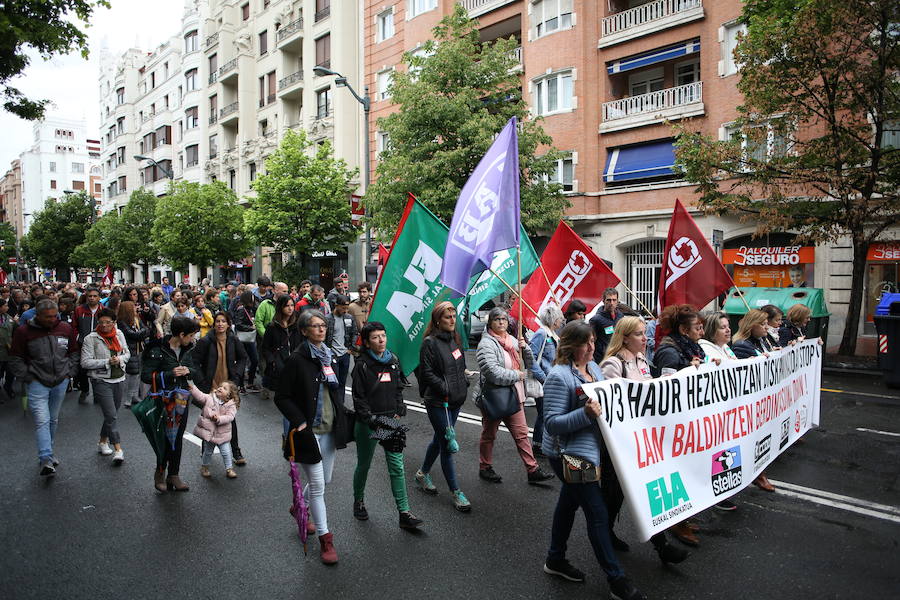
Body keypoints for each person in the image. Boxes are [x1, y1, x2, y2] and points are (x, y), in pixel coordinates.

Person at [541, 320, 647, 600]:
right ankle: (616, 579)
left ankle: (555, 559)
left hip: (591, 450)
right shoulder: (558, 376)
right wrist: (585, 415)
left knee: (568, 505)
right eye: (585, 342)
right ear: (570, 345)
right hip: (570, 456)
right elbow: (550, 424)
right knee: (597, 513)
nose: (592, 347)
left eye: (593, 341)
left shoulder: (595, 369)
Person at [600, 316, 690, 563]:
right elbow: (612, 404)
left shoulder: (642, 359)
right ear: (625, 337)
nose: (646, 337)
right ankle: (605, 533)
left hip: (642, 442)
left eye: (644, 333)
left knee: (645, 493)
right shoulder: (613, 364)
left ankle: (661, 547)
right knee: (613, 495)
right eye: (639, 334)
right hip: (621, 445)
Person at [274, 310, 350, 565]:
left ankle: (299, 505)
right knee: (317, 486)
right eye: (315, 326)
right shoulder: (297, 359)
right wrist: (301, 422)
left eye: (323, 326)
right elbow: (281, 396)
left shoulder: (329, 356)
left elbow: (333, 391)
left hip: (329, 428)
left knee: (325, 481)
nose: (321, 330)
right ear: (304, 331)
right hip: (309, 433)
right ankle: (325, 539)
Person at [351, 321, 423, 530]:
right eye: (375, 337)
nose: (381, 340)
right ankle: (359, 501)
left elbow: (398, 388)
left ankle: (404, 513)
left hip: (390, 421)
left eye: (383, 336)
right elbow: (358, 398)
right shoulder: (362, 365)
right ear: (366, 342)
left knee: (397, 467)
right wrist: (371, 420)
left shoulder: (393, 360)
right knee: (364, 465)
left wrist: (399, 410)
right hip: (368, 424)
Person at [476, 307, 554, 485]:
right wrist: (516, 376)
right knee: (489, 435)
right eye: (497, 319)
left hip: (515, 396)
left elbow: (528, 362)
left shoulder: (512, 339)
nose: (501, 322)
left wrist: (525, 348)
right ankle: (485, 467)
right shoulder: (486, 344)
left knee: (521, 434)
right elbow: (491, 372)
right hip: (495, 398)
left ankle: (532, 469)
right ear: (490, 323)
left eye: (504, 319)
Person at [9, 299, 80, 477]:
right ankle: (45, 458)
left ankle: (49, 450)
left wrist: (69, 372)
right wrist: (27, 377)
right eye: (47, 317)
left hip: (60, 381)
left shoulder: (65, 328)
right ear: (37, 315)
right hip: (37, 382)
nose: (51, 319)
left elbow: (73, 352)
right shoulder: (23, 331)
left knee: (53, 419)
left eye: (54, 316)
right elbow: (16, 357)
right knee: (42, 420)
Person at [414, 301, 471, 512]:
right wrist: (445, 387)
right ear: (438, 320)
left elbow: (460, 365)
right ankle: (456, 492)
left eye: (454, 315)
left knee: (440, 439)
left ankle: (422, 473)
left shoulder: (455, 339)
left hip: (455, 399)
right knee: (447, 443)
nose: (452, 320)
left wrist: (463, 379)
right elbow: (426, 373)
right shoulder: (429, 343)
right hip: (438, 402)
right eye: (448, 316)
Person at [141, 316, 201, 492]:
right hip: (162, 400)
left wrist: (188, 370)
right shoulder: (157, 348)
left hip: (181, 399)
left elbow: (195, 370)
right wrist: (169, 374)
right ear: (181, 334)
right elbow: (146, 375)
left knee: (177, 438)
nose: (192, 339)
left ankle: (173, 475)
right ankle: (160, 472)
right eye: (190, 335)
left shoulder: (188, 349)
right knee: (163, 439)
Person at [731, 309, 777, 493]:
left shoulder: (760, 341)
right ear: (753, 325)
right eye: (763, 323)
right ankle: (757, 474)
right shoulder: (742, 345)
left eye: (767, 323)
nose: (767, 326)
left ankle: (758, 472)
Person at [194, 311, 249, 465]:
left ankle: (236, 451)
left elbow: (243, 357)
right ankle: (205, 452)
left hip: (227, 387)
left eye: (223, 321)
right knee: (208, 419)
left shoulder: (233, 339)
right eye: (217, 321)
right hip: (211, 387)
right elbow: (195, 362)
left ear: (228, 323)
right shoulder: (206, 341)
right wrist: (202, 381)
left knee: (230, 418)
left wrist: (237, 377)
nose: (220, 324)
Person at [81, 308, 130, 466]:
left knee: (112, 414)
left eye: (108, 322)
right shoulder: (91, 339)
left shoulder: (119, 334)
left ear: (114, 323)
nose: (104, 325)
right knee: (111, 415)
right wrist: (106, 361)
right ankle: (118, 448)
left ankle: (102, 441)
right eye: (101, 322)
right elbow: (85, 362)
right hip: (101, 380)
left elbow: (127, 353)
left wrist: (120, 359)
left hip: (119, 378)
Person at [529, 304, 565, 458]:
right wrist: (542, 377)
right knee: (543, 414)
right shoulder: (541, 334)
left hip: (552, 379)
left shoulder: (553, 335)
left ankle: (548, 443)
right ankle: (537, 445)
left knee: (549, 413)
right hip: (544, 380)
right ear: (553, 319)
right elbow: (530, 357)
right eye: (559, 318)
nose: (561, 321)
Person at [189, 379, 240, 479]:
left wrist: (219, 419)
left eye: (224, 388)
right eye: (220, 386)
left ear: (229, 395)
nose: (220, 388)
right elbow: (200, 395)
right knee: (207, 451)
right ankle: (204, 467)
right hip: (210, 434)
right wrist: (192, 388)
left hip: (223, 435)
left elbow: (230, 417)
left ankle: (229, 469)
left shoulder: (231, 405)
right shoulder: (210, 398)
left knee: (226, 452)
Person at [260, 295, 302, 393]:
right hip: (280, 367)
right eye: (287, 306)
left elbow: (302, 343)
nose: (290, 308)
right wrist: (272, 361)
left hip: (295, 364)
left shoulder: (297, 325)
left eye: (292, 305)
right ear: (280, 307)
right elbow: (265, 347)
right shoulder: (272, 327)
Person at [117, 300, 152, 408]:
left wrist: (141, 333)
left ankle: (135, 395)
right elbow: (132, 334)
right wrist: (141, 333)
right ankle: (128, 398)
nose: (135, 308)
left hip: (139, 348)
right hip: (130, 349)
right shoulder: (122, 322)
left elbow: (146, 329)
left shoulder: (136, 319)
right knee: (133, 374)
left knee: (138, 374)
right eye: (133, 307)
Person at [325, 294, 358, 402]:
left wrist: (351, 348)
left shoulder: (349, 318)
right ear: (336, 305)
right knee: (334, 382)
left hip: (345, 355)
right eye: (343, 308)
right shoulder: (327, 319)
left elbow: (354, 333)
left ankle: (341, 406)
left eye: (347, 308)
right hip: (332, 355)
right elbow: (324, 337)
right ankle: (333, 406)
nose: (345, 310)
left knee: (343, 382)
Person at [74, 287, 103, 404]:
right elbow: (74, 327)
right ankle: (85, 389)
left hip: (99, 345)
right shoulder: (79, 310)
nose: (92, 298)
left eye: (95, 296)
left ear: (99, 297)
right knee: (82, 370)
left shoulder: (103, 310)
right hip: (83, 345)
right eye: (90, 296)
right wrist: (78, 338)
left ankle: (98, 393)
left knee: (98, 370)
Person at [230, 290, 259, 392]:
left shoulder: (250, 308)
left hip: (249, 339)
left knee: (254, 360)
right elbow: (238, 324)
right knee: (243, 361)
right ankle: (241, 385)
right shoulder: (242, 310)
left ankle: (249, 383)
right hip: (243, 339)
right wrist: (251, 328)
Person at [589, 288, 623, 362]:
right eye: (609, 300)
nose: (611, 303)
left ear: (617, 301)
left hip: (618, 357)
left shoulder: (621, 316)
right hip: (602, 359)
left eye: (614, 300)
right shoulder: (595, 320)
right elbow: (591, 340)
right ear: (603, 301)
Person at [0, 299, 16, 399]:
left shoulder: (8, 318)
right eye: (5, 305)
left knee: (11, 372)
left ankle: (8, 387)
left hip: (8, 350)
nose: (7, 307)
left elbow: (15, 330)